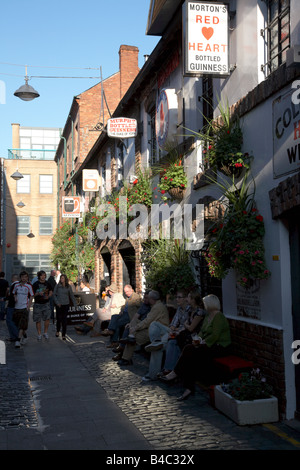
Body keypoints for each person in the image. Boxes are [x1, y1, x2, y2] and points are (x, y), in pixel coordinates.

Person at [162, 294, 231, 401]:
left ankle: (176, 374)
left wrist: (203, 343)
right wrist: (198, 339)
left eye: (205, 303)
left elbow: (215, 335)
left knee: (190, 350)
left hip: (219, 346)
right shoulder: (208, 315)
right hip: (208, 345)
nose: (203, 305)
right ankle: (188, 387)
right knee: (190, 354)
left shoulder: (218, 316)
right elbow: (203, 331)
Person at [140, 289, 190, 382]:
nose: (177, 299)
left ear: (186, 299)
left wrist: (176, 330)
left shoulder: (190, 310)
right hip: (172, 331)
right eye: (176, 297)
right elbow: (173, 324)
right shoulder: (179, 309)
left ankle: (152, 375)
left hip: (182, 335)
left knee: (157, 348)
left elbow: (188, 328)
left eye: (179, 297)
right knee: (154, 324)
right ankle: (156, 342)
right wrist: (173, 329)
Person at [118, 290, 169, 366]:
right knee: (133, 324)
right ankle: (130, 338)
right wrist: (133, 324)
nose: (146, 300)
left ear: (151, 299)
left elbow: (147, 321)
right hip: (150, 327)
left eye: (147, 298)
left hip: (156, 331)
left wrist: (135, 328)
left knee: (134, 338)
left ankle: (125, 358)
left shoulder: (157, 307)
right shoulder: (155, 306)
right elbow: (143, 319)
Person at [112, 290, 151, 361]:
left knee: (130, 336)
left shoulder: (153, 307)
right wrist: (131, 324)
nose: (144, 300)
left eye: (146, 298)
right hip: (139, 324)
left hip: (146, 327)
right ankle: (122, 351)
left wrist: (134, 325)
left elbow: (147, 321)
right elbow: (137, 315)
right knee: (128, 328)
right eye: (144, 298)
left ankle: (122, 353)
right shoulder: (144, 305)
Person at [12, 271, 34, 348]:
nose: (24, 279)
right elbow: (14, 293)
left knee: (22, 324)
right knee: (18, 324)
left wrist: (29, 306)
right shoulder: (16, 285)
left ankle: (18, 340)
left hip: (24, 307)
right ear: (20, 277)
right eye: (23, 277)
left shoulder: (29, 286)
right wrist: (15, 298)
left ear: (27, 278)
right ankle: (24, 335)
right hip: (17, 307)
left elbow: (31, 296)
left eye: (26, 277)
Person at [53, 273, 76, 340]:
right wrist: (57, 302)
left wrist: (75, 304)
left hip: (66, 304)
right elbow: (54, 295)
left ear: (65, 279)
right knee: (59, 319)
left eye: (63, 278)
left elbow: (71, 295)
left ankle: (63, 334)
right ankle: (57, 331)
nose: (61, 279)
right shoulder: (57, 286)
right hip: (59, 305)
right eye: (61, 278)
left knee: (64, 320)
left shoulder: (68, 286)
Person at [32, 270, 53, 341]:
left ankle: (45, 332)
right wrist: (38, 294)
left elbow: (51, 291)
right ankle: (39, 334)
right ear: (39, 276)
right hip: (38, 304)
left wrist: (49, 296)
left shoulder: (48, 283)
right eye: (41, 275)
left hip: (46, 303)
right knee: (38, 320)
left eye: (44, 275)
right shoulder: (35, 284)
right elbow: (32, 294)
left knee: (47, 318)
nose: (43, 277)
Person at [5, 274, 19, 342]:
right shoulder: (19, 285)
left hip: (12, 305)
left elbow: (12, 296)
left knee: (9, 320)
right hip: (18, 306)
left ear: (13, 279)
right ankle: (15, 336)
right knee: (15, 321)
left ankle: (16, 336)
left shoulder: (14, 285)